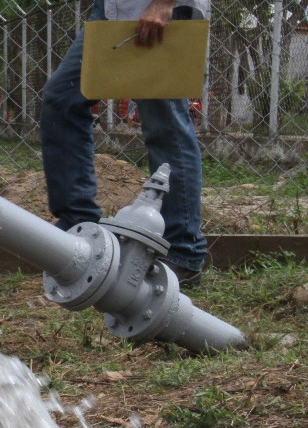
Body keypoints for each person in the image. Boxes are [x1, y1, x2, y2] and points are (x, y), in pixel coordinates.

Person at [41, 0, 209, 288]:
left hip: (159, 10)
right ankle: (80, 225)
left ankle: (183, 252)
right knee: (63, 99)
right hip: (112, 9)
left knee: (165, 120)